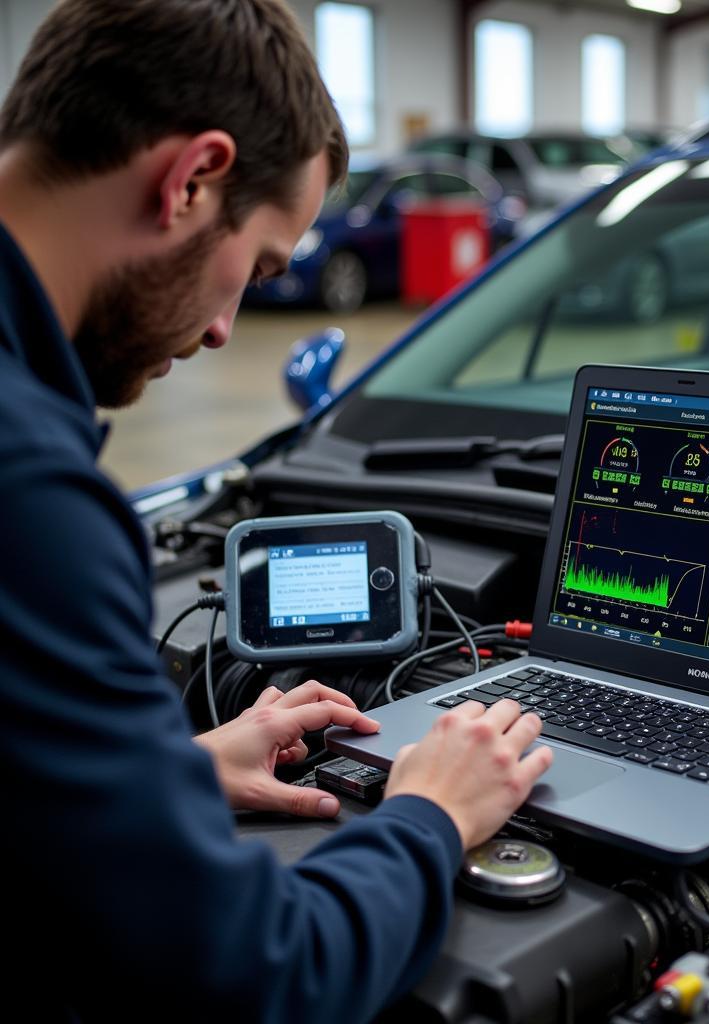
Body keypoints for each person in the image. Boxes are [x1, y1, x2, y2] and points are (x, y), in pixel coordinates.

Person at [0, 2, 552, 1021]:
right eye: (254, 268)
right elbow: (252, 977)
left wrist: (158, 781)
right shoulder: (34, 494)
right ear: (191, 179)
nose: (222, 330)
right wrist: (429, 815)